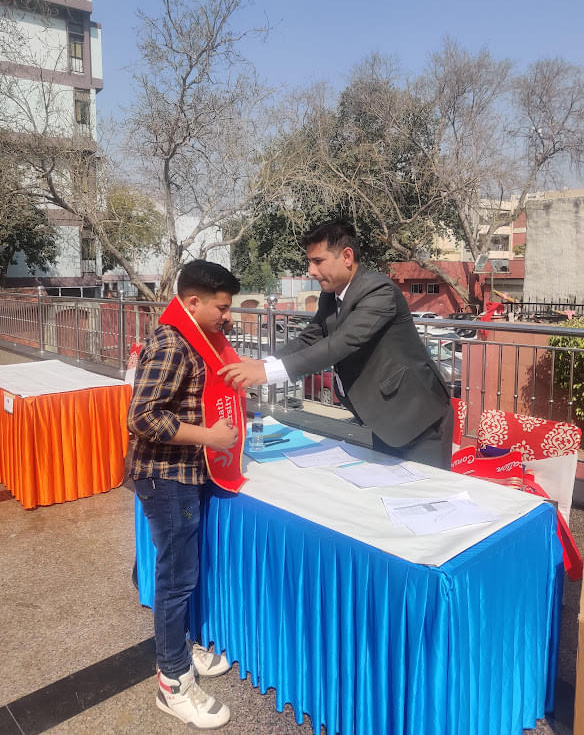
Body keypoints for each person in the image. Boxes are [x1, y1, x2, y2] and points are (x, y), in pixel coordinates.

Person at [220, 221, 453, 468]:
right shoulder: (331, 294)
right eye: (309, 261)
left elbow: (341, 343)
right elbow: (311, 336)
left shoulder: (379, 291)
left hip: (418, 419)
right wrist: (263, 363)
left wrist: (264, 374)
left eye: (318, 261)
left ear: (347, 256)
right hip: (384, 419)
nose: (311, 270)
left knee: (424, 496)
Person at [127, 260, 241, 730]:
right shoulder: (174, 343)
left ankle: (182, 647)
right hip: (166, 478)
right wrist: (208, 438)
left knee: (184, 576)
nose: (228, 318)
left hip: (180, 475)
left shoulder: (192, 337)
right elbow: (142, 416)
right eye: (221, 308)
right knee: (176, 581)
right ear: (193, 303)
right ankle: (172, 681)